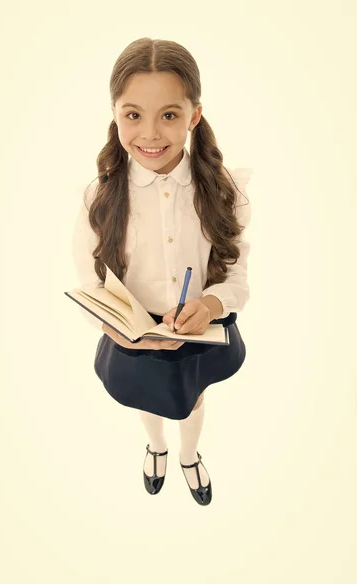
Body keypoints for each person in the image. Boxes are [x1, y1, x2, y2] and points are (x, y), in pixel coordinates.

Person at [72, 37, 252, 506]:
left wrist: (210, 303)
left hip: (196, 327)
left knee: (191, 398)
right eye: (134, 114)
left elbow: (236, 277)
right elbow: (90, 284)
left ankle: (189, 454)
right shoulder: (99, 197)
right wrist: (126, 332)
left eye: (169, 115)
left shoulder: (225, 190)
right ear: (114, 112)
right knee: (145, 398)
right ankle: (155, 446)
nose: (150, 133)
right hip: (131, 330)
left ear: (193, 115)